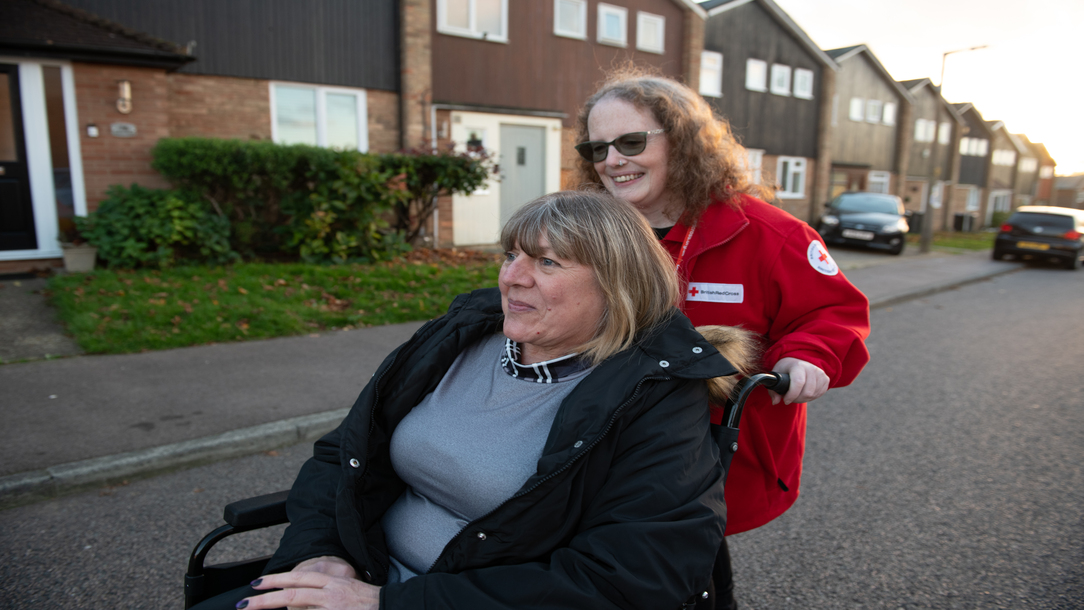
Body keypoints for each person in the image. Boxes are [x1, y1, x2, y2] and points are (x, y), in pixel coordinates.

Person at [205, 190, 749, 610]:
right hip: (360, 574)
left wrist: (389, 604)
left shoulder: (655, 398)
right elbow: (342, 454)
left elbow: (634, 575)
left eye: (548, 263)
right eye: (510, 254)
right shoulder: (462, 336)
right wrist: (321, 553)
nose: (511, 278)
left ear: (617, 286)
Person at [574, 71, 872, 609]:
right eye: (598, 147)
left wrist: (806, 357)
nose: (612, 160)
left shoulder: (769, 234)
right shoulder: (593, 233)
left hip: (708, 454)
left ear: (684, 140)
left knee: (684, 571)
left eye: (632, 142)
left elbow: (835, 314)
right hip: (602, 442)